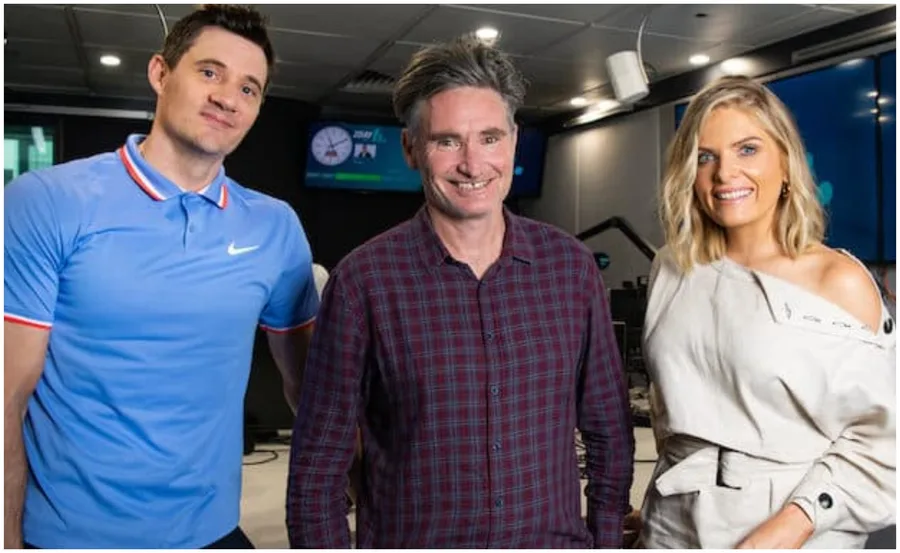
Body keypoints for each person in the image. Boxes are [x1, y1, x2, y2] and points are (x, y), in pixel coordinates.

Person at [286, 35, 635, 549]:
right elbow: (317, 467)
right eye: (447, 141)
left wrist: (606, 540)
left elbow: (609, 431)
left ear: (513, 141)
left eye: (490, 138)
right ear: (411, 149)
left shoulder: (570, 269)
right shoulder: (364, 282)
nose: (473, 164)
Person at [4, 5, 319, 549]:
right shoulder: (48, 200)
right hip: (70, 537)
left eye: (250, 88)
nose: (228, 97)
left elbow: (311, 389)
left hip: (210, 530)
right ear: (160, 73)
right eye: (209, 72)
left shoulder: (275, 227)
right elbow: (8, 396)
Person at [639, 75, 896, 549]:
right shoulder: (672, 266)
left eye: (748, 149)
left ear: (785, 160)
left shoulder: (838, 281)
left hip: (791, 526)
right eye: (706, 156)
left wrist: (788, 529)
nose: (724, 174)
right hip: (672, 522)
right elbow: (671, 408)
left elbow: (884, 441)